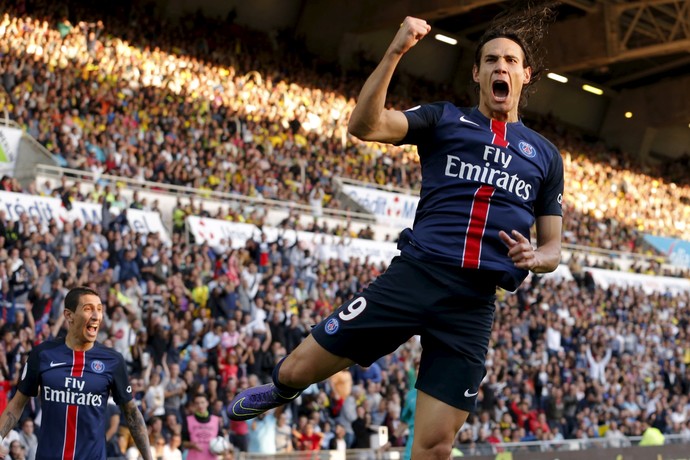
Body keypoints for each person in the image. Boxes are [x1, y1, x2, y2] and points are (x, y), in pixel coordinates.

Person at [228, 4, 563, 459]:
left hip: (473, 305)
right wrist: (395, 50)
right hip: (415, 277)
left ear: (525, 76)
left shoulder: (545, 156)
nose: (500, 67)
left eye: (509, 61)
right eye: (490, 60)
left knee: (435, 448)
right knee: (295, 369)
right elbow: (364, 125)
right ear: (476, 74)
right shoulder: (445, 119)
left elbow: (553, 250)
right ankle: (283, 390)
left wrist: (535, 258)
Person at [0, 286, 153, 460]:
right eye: (88, 309)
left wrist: (149, 457)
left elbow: (132, 413)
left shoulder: (113, 360)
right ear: (68, 315)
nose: (96, 316)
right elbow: (17, 404)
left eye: (99, 310)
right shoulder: (42, 354)